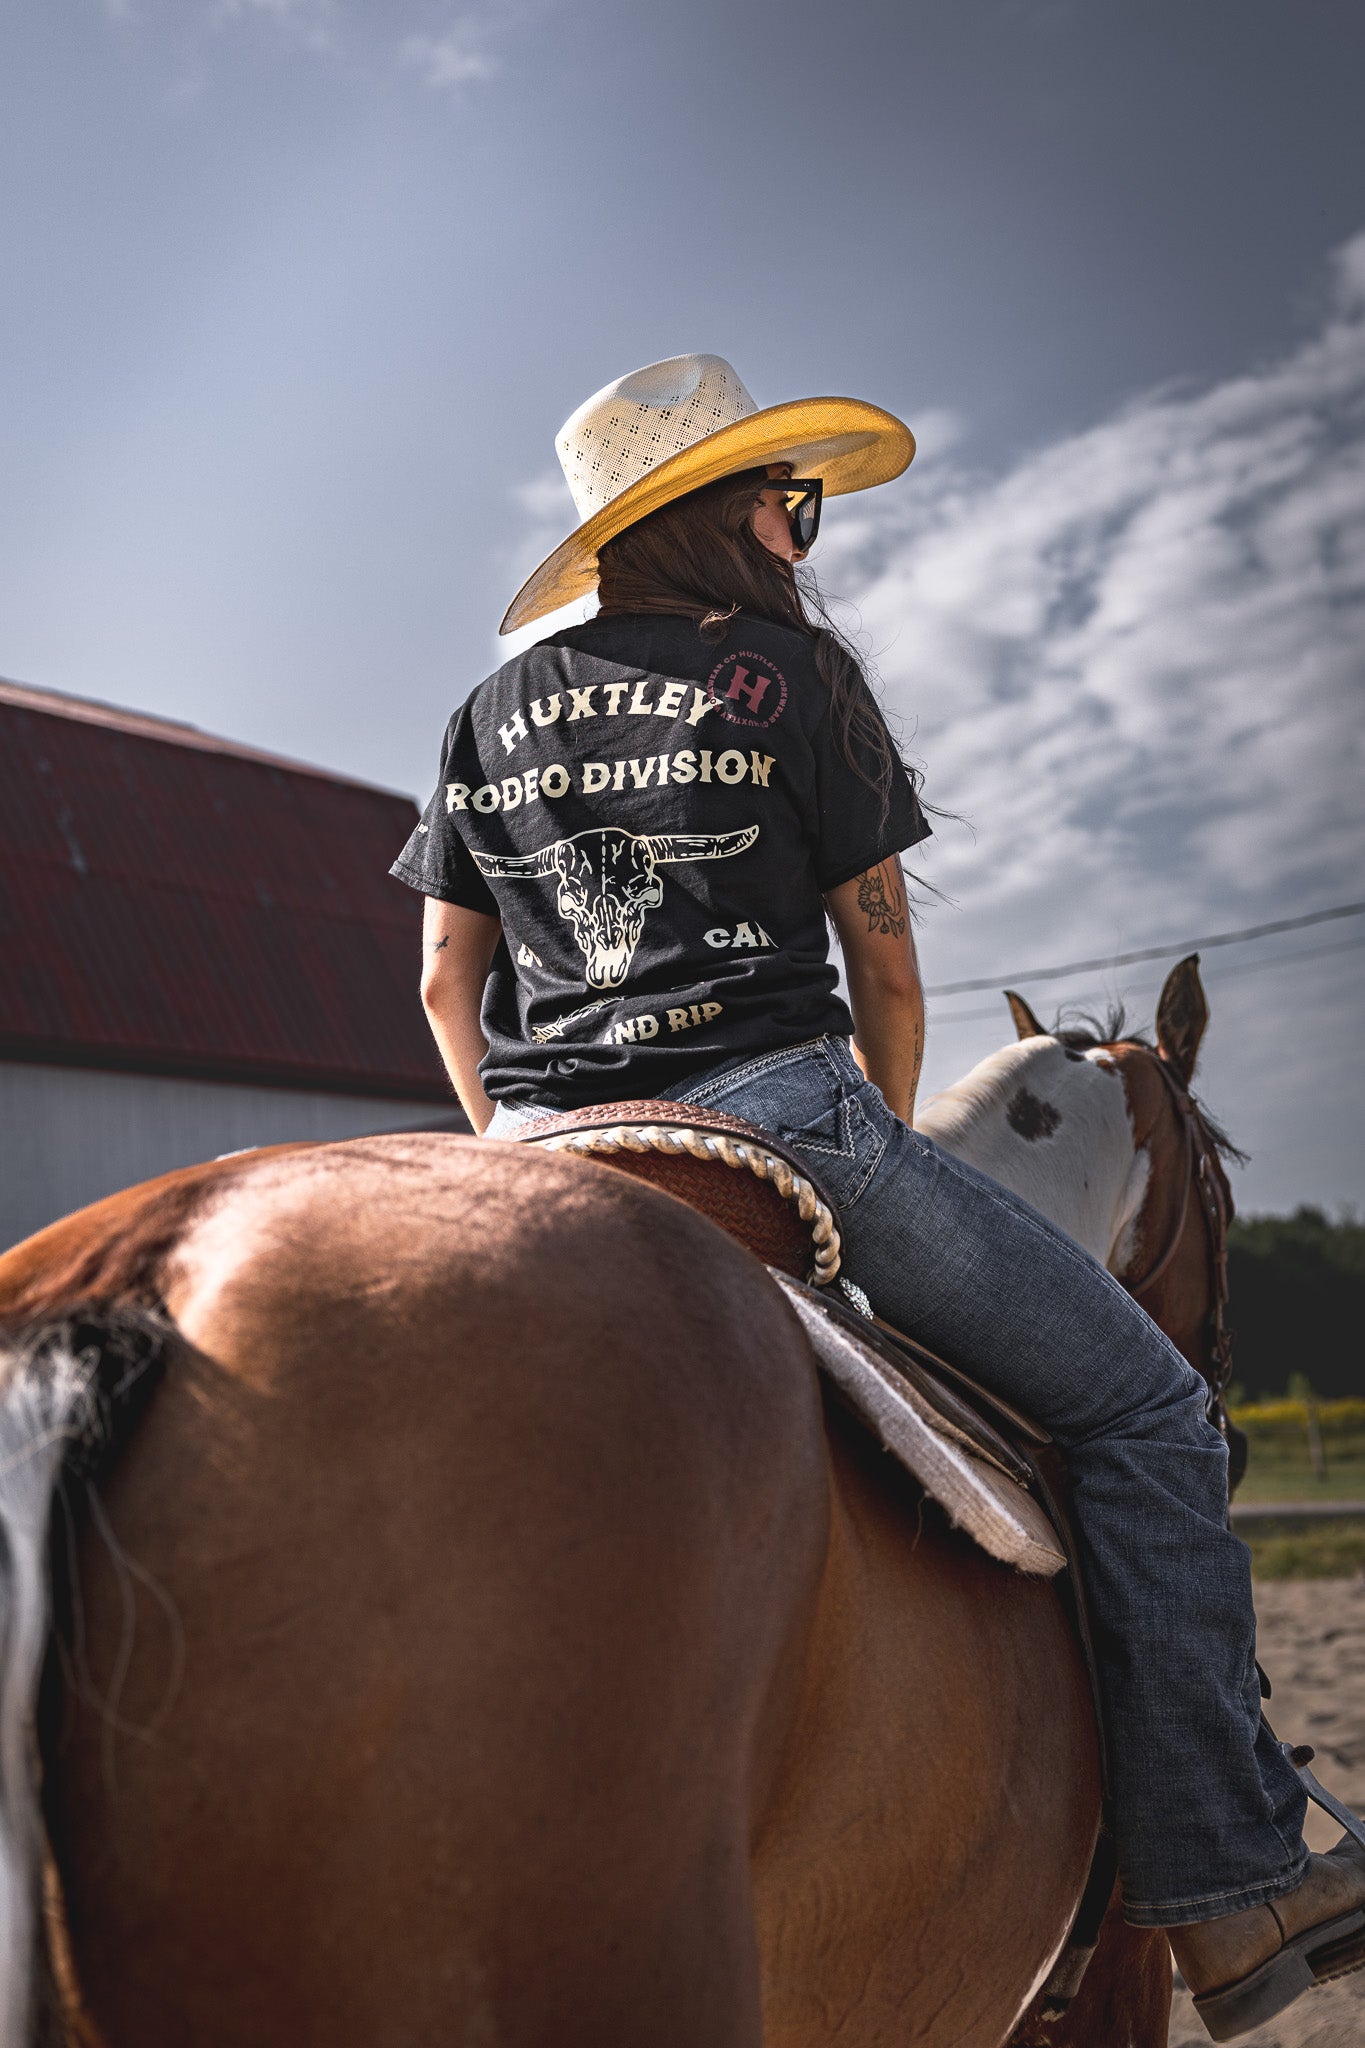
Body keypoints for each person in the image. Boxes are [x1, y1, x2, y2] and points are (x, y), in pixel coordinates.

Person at [391, 352, 1365, 2039]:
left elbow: (436, 987)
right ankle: (1230, 1883)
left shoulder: (487, 716)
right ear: (721, 517)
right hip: (774, 1117)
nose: (799, 527)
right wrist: (867, 1163)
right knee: (1145, 1415)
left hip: (542, 1148)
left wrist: (513, 1154)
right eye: (788, 499)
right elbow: (888, 973)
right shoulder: (791, 676)